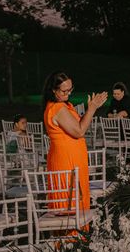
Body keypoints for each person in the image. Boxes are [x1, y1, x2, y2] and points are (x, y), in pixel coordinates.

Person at [42, 72, 107, 212]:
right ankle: (72, 233)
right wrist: (92, 109)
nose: (69, 93)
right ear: (53, 90)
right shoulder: (58, 108)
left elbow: (77, 126)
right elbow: (79, 131)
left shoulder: (63, 106)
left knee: (76, 200)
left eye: (70, 89)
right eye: (64, 91)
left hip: (71, 158)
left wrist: (91, 109)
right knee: (70, 202)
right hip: (67, 161)